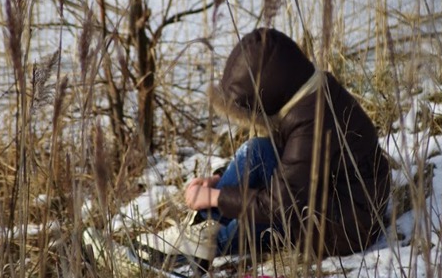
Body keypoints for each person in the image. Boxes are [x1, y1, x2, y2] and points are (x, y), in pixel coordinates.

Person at [139, 27, 391, 264]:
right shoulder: (310, 95)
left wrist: (214, 197)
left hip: (342, 228)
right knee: (258, 151)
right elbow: (290, 163)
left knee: (257, 190)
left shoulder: (312, 122)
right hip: (333, 198)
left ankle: (199, 241)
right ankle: (198, 232)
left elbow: (277, 204)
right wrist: (219, 181)